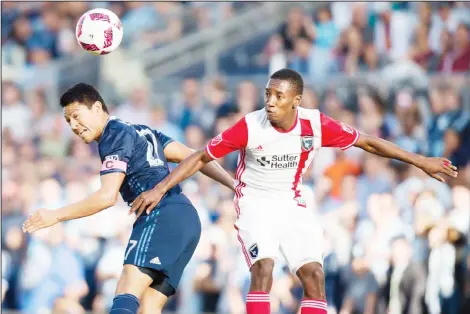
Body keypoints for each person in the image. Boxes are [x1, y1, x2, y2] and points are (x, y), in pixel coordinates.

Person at [129, 68, 458, 314]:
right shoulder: (249, 125)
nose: (270, 101)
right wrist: (161, 188)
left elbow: (369, 142)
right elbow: (201, 156)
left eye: (278, 96)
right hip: (254, 203)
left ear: (296, 101)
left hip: (292, 203)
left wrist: (419, 160)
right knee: (265, 269)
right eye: (267, 94)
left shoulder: (315, 124)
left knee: (314, 276)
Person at [22, 83, 235, 314]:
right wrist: (235, 185)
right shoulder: (141, 131)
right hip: (187, 219)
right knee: (149, 307)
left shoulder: (112, 134)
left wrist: (55, 215)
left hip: (160, 215)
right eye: (68, 121)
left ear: (96, 108)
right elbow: (197, 157)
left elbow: (106, 197)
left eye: (75, 116)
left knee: (126, 288)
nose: (73, 125)